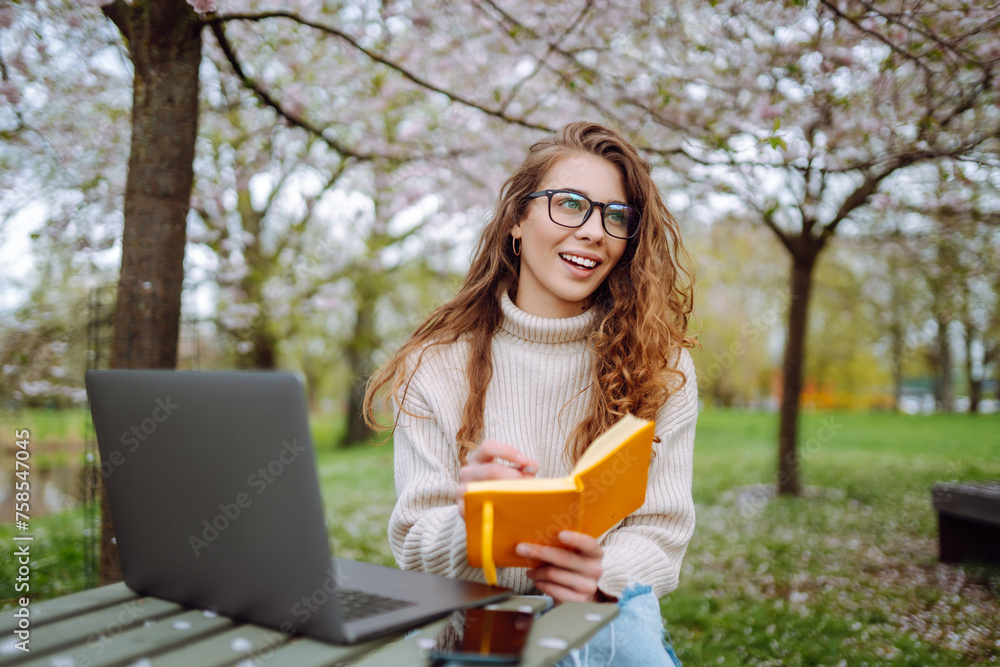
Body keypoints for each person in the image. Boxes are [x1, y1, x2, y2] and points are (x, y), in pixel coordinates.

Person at [363, 121, 697, 666]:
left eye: (616, 217)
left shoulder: (661, 367)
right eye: (569, 204)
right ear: (517, 221)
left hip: (603, 618)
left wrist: (598, 578)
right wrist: (471, 524)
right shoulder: (436, 365)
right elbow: (416, 545)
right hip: (473, 619)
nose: (594, 231)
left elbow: (661, 532)